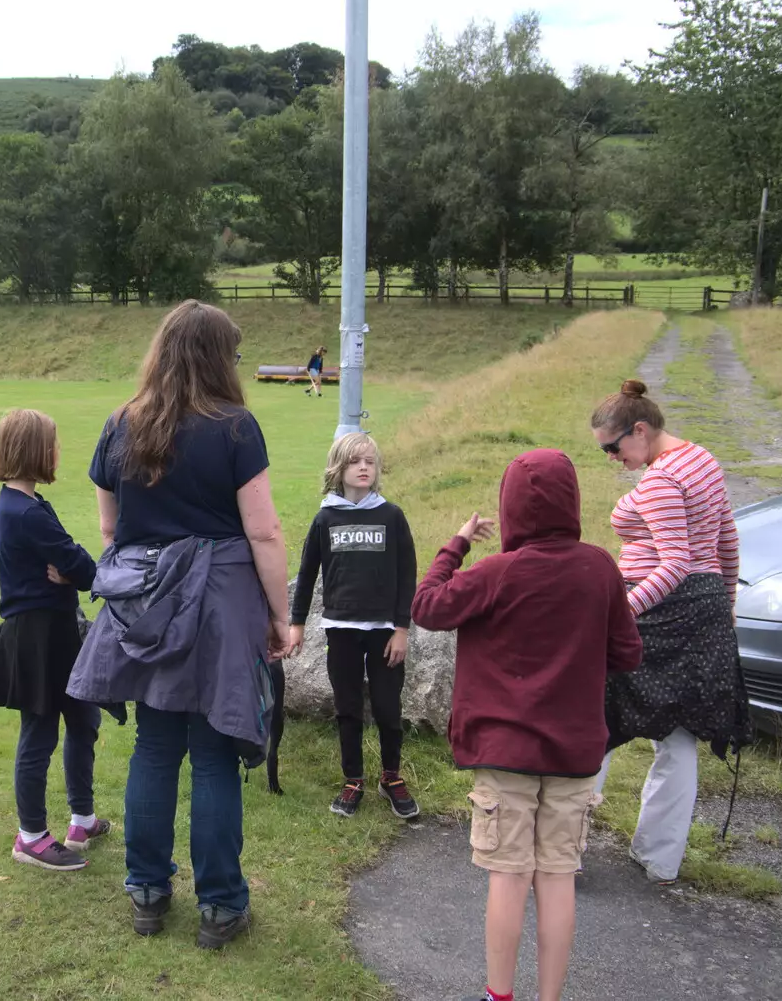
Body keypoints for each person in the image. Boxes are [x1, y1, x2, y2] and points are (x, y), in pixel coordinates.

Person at [68, 299, 291, 950]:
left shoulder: (120, 425)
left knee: (156, 746)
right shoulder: (235, 428)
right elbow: (265, 531)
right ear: (219, 358)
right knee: (216, 752)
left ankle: (147, 889)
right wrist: (281, 616)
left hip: (146, 603)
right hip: (221, 600)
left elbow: (110, 533)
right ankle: (220, 906)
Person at [412, 449, 642, 1001]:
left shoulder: (497, 572)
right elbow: (627, 654)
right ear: (573, 501)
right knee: (557, 877)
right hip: (574, 755)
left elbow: (426, 606)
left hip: (504, 751)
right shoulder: (599, 569)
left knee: (509, 876)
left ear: (509, 507)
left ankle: (499, 996)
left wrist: (458, 543)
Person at [590, 379, 752, 884]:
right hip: (703, 611)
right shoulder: (702, 459)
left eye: (613, 448)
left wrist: (622, 612)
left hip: (657, 609)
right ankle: (660, 859)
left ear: (640, 430)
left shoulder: (661, 481)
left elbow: (674, 563)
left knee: (595, 718)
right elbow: (726, 538)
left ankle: (561, 844)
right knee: (678, 734)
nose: (612, 458)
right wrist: (725, 607)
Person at [0, 409, 107, 872]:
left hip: (57, 630)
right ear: (35, 451)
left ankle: (83, 819)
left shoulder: (30, 505)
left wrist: (71, 571)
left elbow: (71, 564)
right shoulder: (24, 513)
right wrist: (75, 572)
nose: (59, 452)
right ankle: (31, 836)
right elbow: (81, 565)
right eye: (54, 445)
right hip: (36, 636)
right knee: (39, 733)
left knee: (83, 718)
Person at [289, 431, 420, 820]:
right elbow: (307, 571)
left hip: (384, 633)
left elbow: (407, 574)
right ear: (338, 468)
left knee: (386, 707)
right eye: (354, 461)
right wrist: (296, 623)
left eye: (369, 461)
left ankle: (391, 777)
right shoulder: (325, 518)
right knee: (347, 708)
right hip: (341, 631)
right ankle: (353, 779)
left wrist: (402, 629)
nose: (363, 467)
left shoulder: (391, 516)